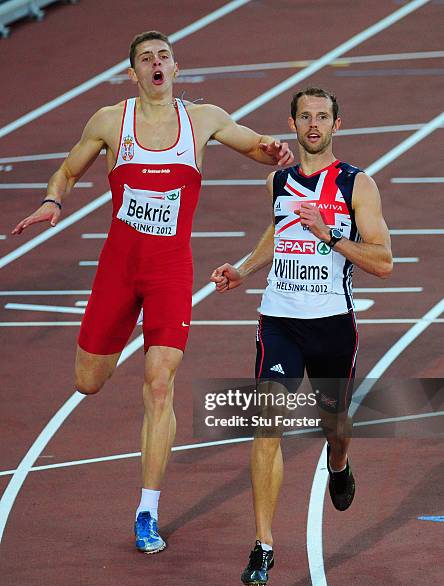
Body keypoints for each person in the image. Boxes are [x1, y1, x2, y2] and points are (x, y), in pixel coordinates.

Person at [12, 31, 294, 555]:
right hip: (118, 273)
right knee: (88, 381)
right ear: (133, 73)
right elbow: (69, 169)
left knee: (159, 382)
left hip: (170, 273)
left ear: (176, 67)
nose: (156, 64)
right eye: (146, 59)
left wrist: (274, 150)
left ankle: (147, 510)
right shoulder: (109, 121)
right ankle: (109, 359)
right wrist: (53, 199)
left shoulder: (202, 119)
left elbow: (253, 144)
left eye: (163, 56)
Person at [211, 87, 393, 586]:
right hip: (280, 321)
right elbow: (278, 229)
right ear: (293, 123)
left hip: (333, 325)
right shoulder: (278, 180)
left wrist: (329, 234)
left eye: (323, 117)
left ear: (337, 124)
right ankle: (264, 544)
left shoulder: (358, 185)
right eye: (305, 116)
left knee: (335, 425)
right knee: (266, 428)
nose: (314, 125)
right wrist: (245, 268)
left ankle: (339, 463)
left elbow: (383, 261)